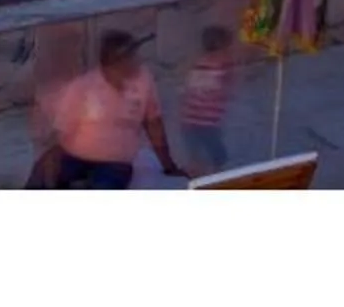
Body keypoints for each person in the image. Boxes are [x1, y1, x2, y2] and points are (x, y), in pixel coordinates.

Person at [40, 29, 187, 188]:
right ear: (116, 61)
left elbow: (154, 124)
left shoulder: (143, 80)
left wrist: (168, 166)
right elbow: (59, 134)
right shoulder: (83, 86)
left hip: (115, 162)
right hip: (75, 157)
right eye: (132, 56)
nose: (137, 60)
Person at [176, 25, 236, 175]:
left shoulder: (197, 63)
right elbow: (231, 86)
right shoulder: (225, 65)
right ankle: (216, 174)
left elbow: (185, 89)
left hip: (188, 118)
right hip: (208, 121)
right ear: (223, 47)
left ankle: (195, 170)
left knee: (194, 151)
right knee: (218, 154)